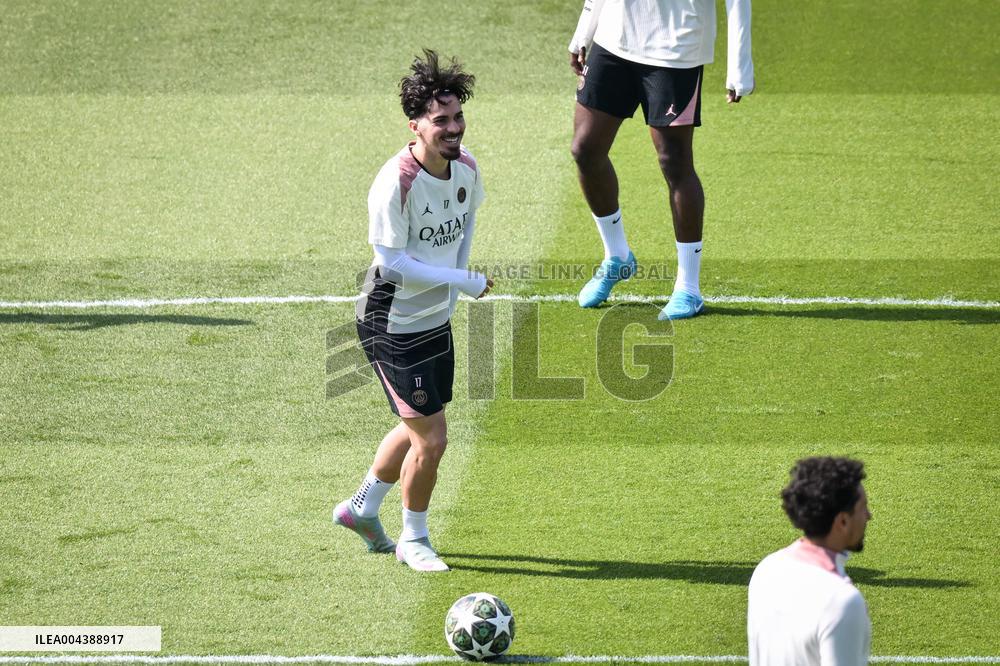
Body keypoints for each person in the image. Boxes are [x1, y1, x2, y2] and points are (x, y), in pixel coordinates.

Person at [333, 49, 493, 573]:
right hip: (392, 320)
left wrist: (453, 294)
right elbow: (393, 262)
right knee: (433, 435)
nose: (453, 128)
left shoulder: (466, 169)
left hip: (434, 317)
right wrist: (463, 283)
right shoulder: (395, 183)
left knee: (414, 423)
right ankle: (413, 538)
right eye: (440, 120)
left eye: (458, 117)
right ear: (416, 126)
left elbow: (463, 235)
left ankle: (361, 509)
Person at [568, 0, 754, 319]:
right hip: (614, 38)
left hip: (676, 47)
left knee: (674, 162)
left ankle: (688, 289)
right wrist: (584, 30)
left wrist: (739, 65)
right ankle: (617, 257)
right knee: (585, 149)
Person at [747, 457, 873, 666]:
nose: (869, 516)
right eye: (863, 508)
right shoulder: (842, 600)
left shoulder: (766, 570)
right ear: (842, 521)